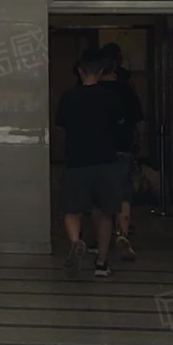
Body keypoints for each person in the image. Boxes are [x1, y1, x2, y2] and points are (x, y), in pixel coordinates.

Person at [57, 49, 126, 278]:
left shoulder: (68, 97)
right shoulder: (111, 97)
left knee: (71, 210)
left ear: (79, 71)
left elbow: (61, 125)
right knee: (105, 212)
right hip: (105, 161)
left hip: (76, 161)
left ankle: (76, 241)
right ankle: (101, 263)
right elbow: (120, 123)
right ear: (101, 71)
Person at [98, 43, 143, 262]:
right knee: (124, 191)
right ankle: (122, 233)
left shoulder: (93, 91)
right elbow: (138, 119)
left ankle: (100, 240)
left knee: (99, 194)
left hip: (97, 148)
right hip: (123, 147)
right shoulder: (126, 90)